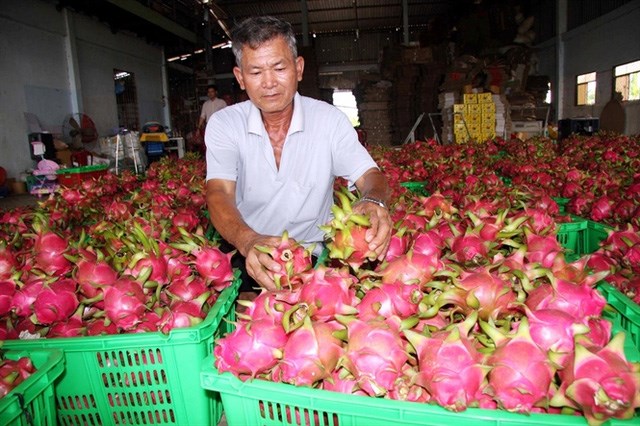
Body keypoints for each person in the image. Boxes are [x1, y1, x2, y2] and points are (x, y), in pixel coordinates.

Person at [204, 15, 392, 292]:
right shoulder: (225, 124)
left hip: (318, 261)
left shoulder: (329, 120)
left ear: (298, 68)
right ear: (240, 78)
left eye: (279, 68)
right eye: (255, 72)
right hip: (252, 258)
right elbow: (218, 192)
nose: (269, 82)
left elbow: (371, 176)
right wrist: (248, 240)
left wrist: (374, 200)